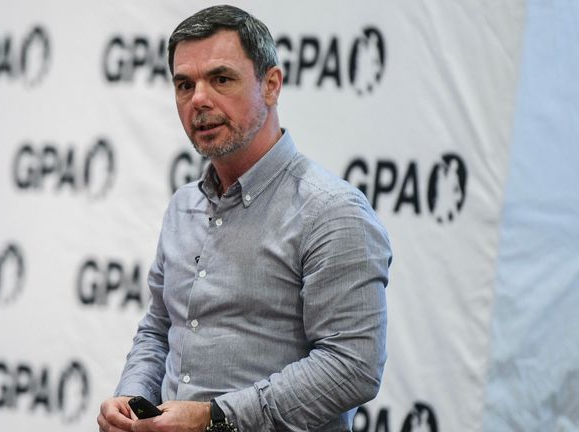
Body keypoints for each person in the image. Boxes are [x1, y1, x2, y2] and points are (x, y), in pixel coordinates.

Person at [97, 5, 391, 432]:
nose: (198, 99)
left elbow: (352, 365)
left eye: (221, 79)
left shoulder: (332, 212)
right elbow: (160, 329)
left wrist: (216, 419)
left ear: (271, 85)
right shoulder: (183, 207)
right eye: (184, 84)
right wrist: (131, 397)